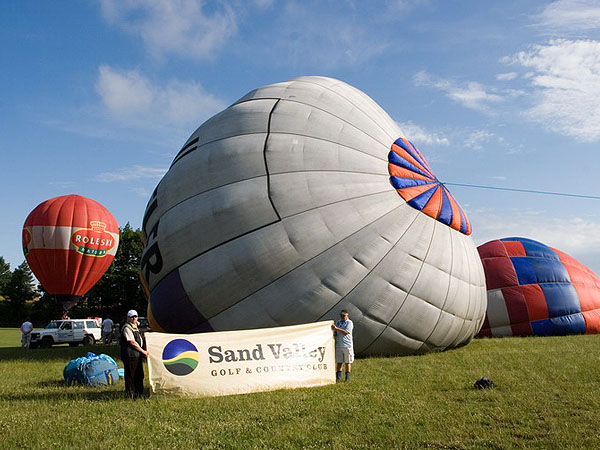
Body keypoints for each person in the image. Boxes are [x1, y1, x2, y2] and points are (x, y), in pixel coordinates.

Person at [120, 310, 149, 398]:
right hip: (130, 355)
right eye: (132, 317)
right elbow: (132, 342)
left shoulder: (135, 326)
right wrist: (143, 351)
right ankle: (131, 394)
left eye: (135, 316)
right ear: (128, 318)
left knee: (139, 374)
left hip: (136, 355)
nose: (134, 318)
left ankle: (139, 392)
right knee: (131, 376)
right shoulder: (127, 327)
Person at [332, 310, 354, 382]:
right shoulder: (338, 322)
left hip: (347, 345)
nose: (342, 317)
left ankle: (347, 378)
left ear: (347, 316)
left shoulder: (349, 323)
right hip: (339, 345)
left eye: (344, 315)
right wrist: (334, 332)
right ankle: (338, 377)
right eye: (341, 315)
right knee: (339, 362)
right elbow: (336, 332)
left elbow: (346, 332)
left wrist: (336, 328)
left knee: (347, 362)